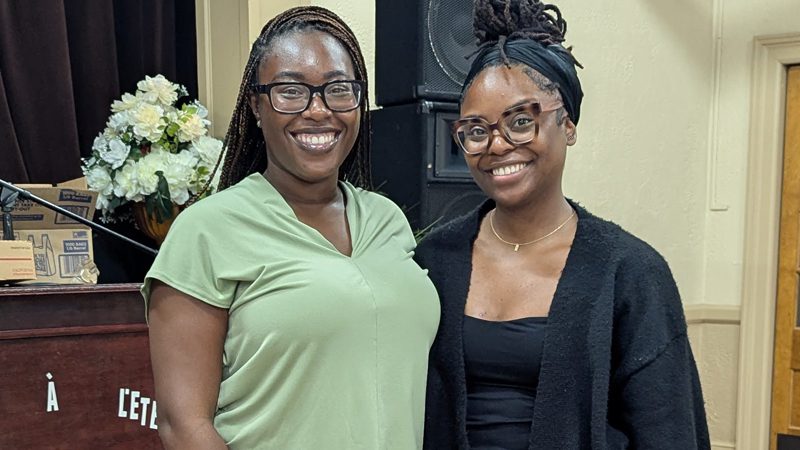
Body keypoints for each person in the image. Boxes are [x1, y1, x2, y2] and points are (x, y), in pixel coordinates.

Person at [142, 6, 440, 449]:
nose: (317, 111)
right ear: (257, 107)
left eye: (338, 89)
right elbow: (184, 426)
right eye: (290, 91)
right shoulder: (206, 231)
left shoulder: (386, 219)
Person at [418, 1, 710, 449]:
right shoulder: (435, 261)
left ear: (567, 124)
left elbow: (669, 430)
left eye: (521, 121)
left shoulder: (630, 272)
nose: (497, 145)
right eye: (476, 130)